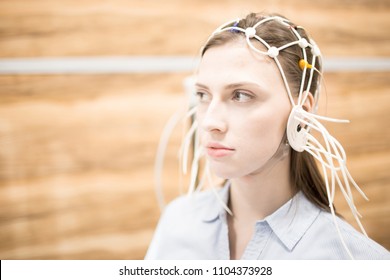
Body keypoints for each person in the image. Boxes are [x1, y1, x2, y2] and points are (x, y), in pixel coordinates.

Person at [145, 12, 389, 260]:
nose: (210, 122)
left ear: (301, 113)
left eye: (240, 95)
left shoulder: (355, 261)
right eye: (202, 95)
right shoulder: (176, 224)